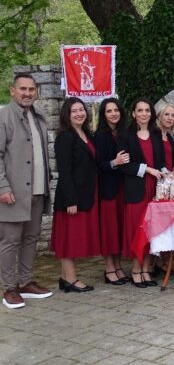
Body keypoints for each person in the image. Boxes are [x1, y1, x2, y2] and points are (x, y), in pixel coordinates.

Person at [0, 74, 53, 309]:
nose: (28, 93)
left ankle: (25, 282)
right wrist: (2, 187)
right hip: (13, 194)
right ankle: (9, 288)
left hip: (37, 191)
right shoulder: (4, 117)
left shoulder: (38, 116)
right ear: (13, 91)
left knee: (31, 238)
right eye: (23, 89)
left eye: (32, 89)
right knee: (10, 241)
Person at [51, 98, 101, 292]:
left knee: (72, 239)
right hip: (71, 198)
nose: (79, 114)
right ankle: (71, 280)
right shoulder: (65, 137)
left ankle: (65, 278)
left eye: (81, 110)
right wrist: (70, 200)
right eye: (74, 111)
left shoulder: (86, 134)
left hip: (86, 194)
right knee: (69, 240)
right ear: (67, 115)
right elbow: (64, 171)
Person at [118, 98, 165, 288]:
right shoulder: (125, 135)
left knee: (151, 230)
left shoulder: (156, 133)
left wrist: (166, 174)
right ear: (133, 113)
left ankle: (146, 269)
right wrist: (147, 169)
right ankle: (136, 270)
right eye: (140, 110)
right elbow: (124, 165)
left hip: (155, 188)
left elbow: (161, 161)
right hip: (136, 189)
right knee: (138, 230)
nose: (144, 114)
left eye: (147, 110)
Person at [94, 98, 130, 285]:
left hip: (123, 187)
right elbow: (97, 164)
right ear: (103, 114)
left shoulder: (124, 133)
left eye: (116, 110)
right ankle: (109, 269)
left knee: (119, 229)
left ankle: (118, 266)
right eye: (109, 111)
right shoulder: (100, 136)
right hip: (108, 189)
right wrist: (114, 163)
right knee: (109, 230)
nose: (113, 114)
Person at [155, 102, 174, 174]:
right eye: (166, 114)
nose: (170, 118)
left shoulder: (170, 137)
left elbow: (172, 159)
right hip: (158, 176)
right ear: (159, 116)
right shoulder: (153, 135)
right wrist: (165, 172)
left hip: (169, 177)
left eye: (173, 115)